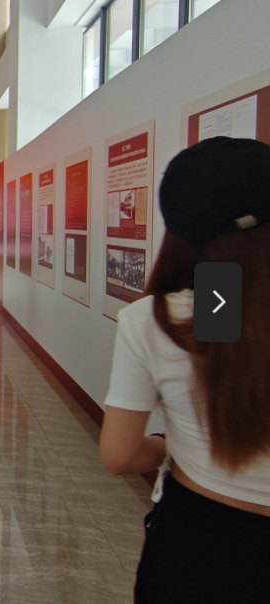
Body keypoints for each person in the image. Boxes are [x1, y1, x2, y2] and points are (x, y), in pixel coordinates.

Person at [100, 137, 270, 604]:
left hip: (197, 541)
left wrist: (165, 444)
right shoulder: (219, 310)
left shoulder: (156, 320)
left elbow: (118, 455)